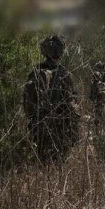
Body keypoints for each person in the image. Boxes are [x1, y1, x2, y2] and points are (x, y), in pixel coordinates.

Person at [23, 35, 80, 164]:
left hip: (40, 126)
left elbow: (27, 105)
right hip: (61, 128)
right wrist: (73, 133)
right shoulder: (65, 74)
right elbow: (72, 106)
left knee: (41, 160)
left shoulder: (36, 73)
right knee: (60, 162)